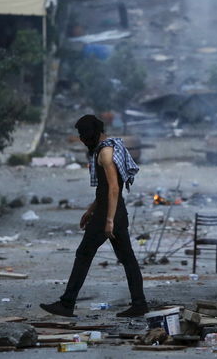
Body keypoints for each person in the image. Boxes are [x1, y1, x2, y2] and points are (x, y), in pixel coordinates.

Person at [40, 114, 148, 318]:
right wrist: (90, 210)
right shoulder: (107, 148)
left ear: (91, 135)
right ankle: (139, 303)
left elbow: (114, 188)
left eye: (83, 135)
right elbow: (105, 189)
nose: (82, 139)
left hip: (108, 214)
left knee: (83, 255)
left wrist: (108, 220)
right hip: (113, 212)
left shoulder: (105, 153)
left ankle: (66, 303)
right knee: (128, 259)